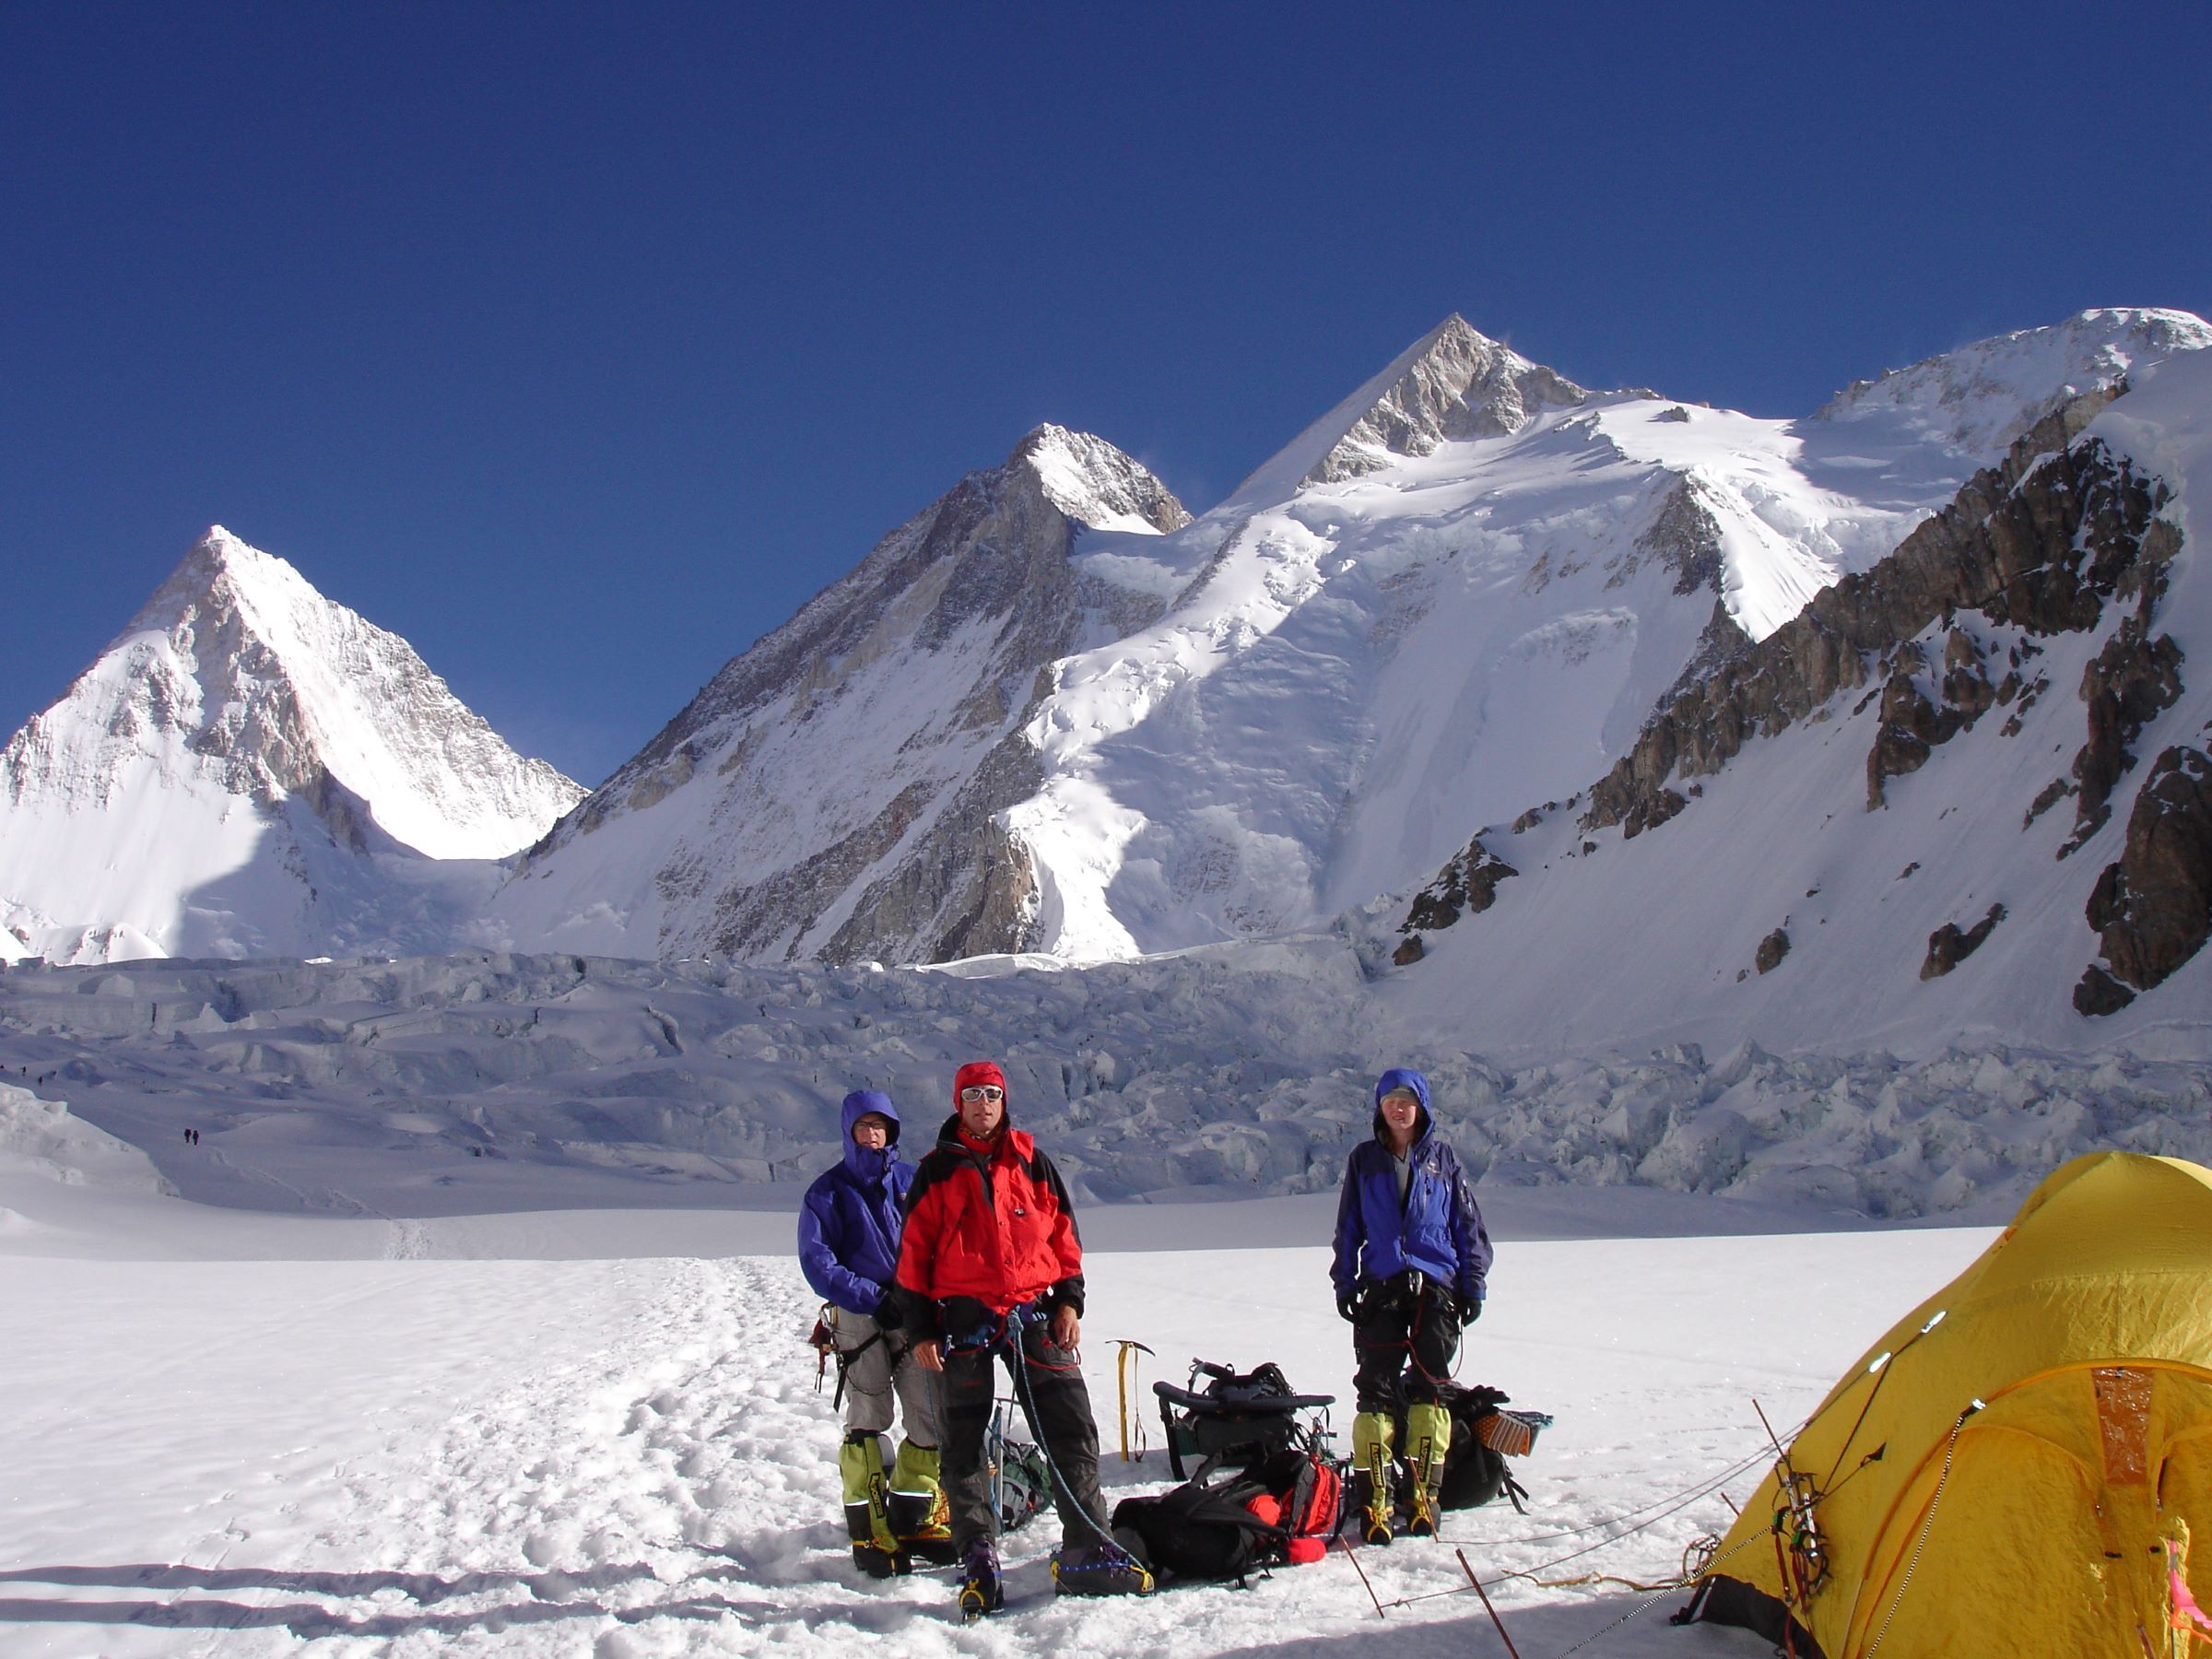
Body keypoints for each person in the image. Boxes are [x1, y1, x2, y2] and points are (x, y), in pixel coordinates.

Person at [894, 1061, 1148, 1617]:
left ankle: (1088, 1544)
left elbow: (1063, 1236)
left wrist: (1070, 1301)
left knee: (1071, 1428)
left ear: (1004, 1101)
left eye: (992, 1094)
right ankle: (976, 1552)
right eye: (973, 1094)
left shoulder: (1032, 1161)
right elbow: (912, 1255)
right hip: (962, 1321)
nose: (983, 1103)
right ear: (958, 1104)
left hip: (1035, 1313)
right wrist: (920, 1329)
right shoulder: (936, 1172)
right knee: (963, 1443)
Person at [1331, 1066, 1492, 1544]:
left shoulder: (1443, 1160)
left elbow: (1467, 1225)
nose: (1398, 1109)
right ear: (1379, 1109)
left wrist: (1472, 1285)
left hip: (1435, 1288)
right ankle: (1375, 1503)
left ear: (1421, 1107)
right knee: (1375, 1393)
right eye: (1390, 1102)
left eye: (1406, 1101)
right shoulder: (1364, 1160)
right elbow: (1348, 1226)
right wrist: (1345, 1283)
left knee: (1430, 1390)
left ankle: (1424, 1499)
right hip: (1382, 1285)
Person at [798, 1089, 950, 1578]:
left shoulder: (910, 1181)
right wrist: (870, 1297)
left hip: (914, 1310)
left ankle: (913, 1515)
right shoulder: (827, 1193)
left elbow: (941, 1238)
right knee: (869, 1411)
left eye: (880, 1126)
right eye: (863, 1126)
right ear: (849, 1132)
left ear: (892, 1131)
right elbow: (818, 1261)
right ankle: (868, 1529)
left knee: (928, 1407)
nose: (872, 1134)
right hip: (859, 1315)